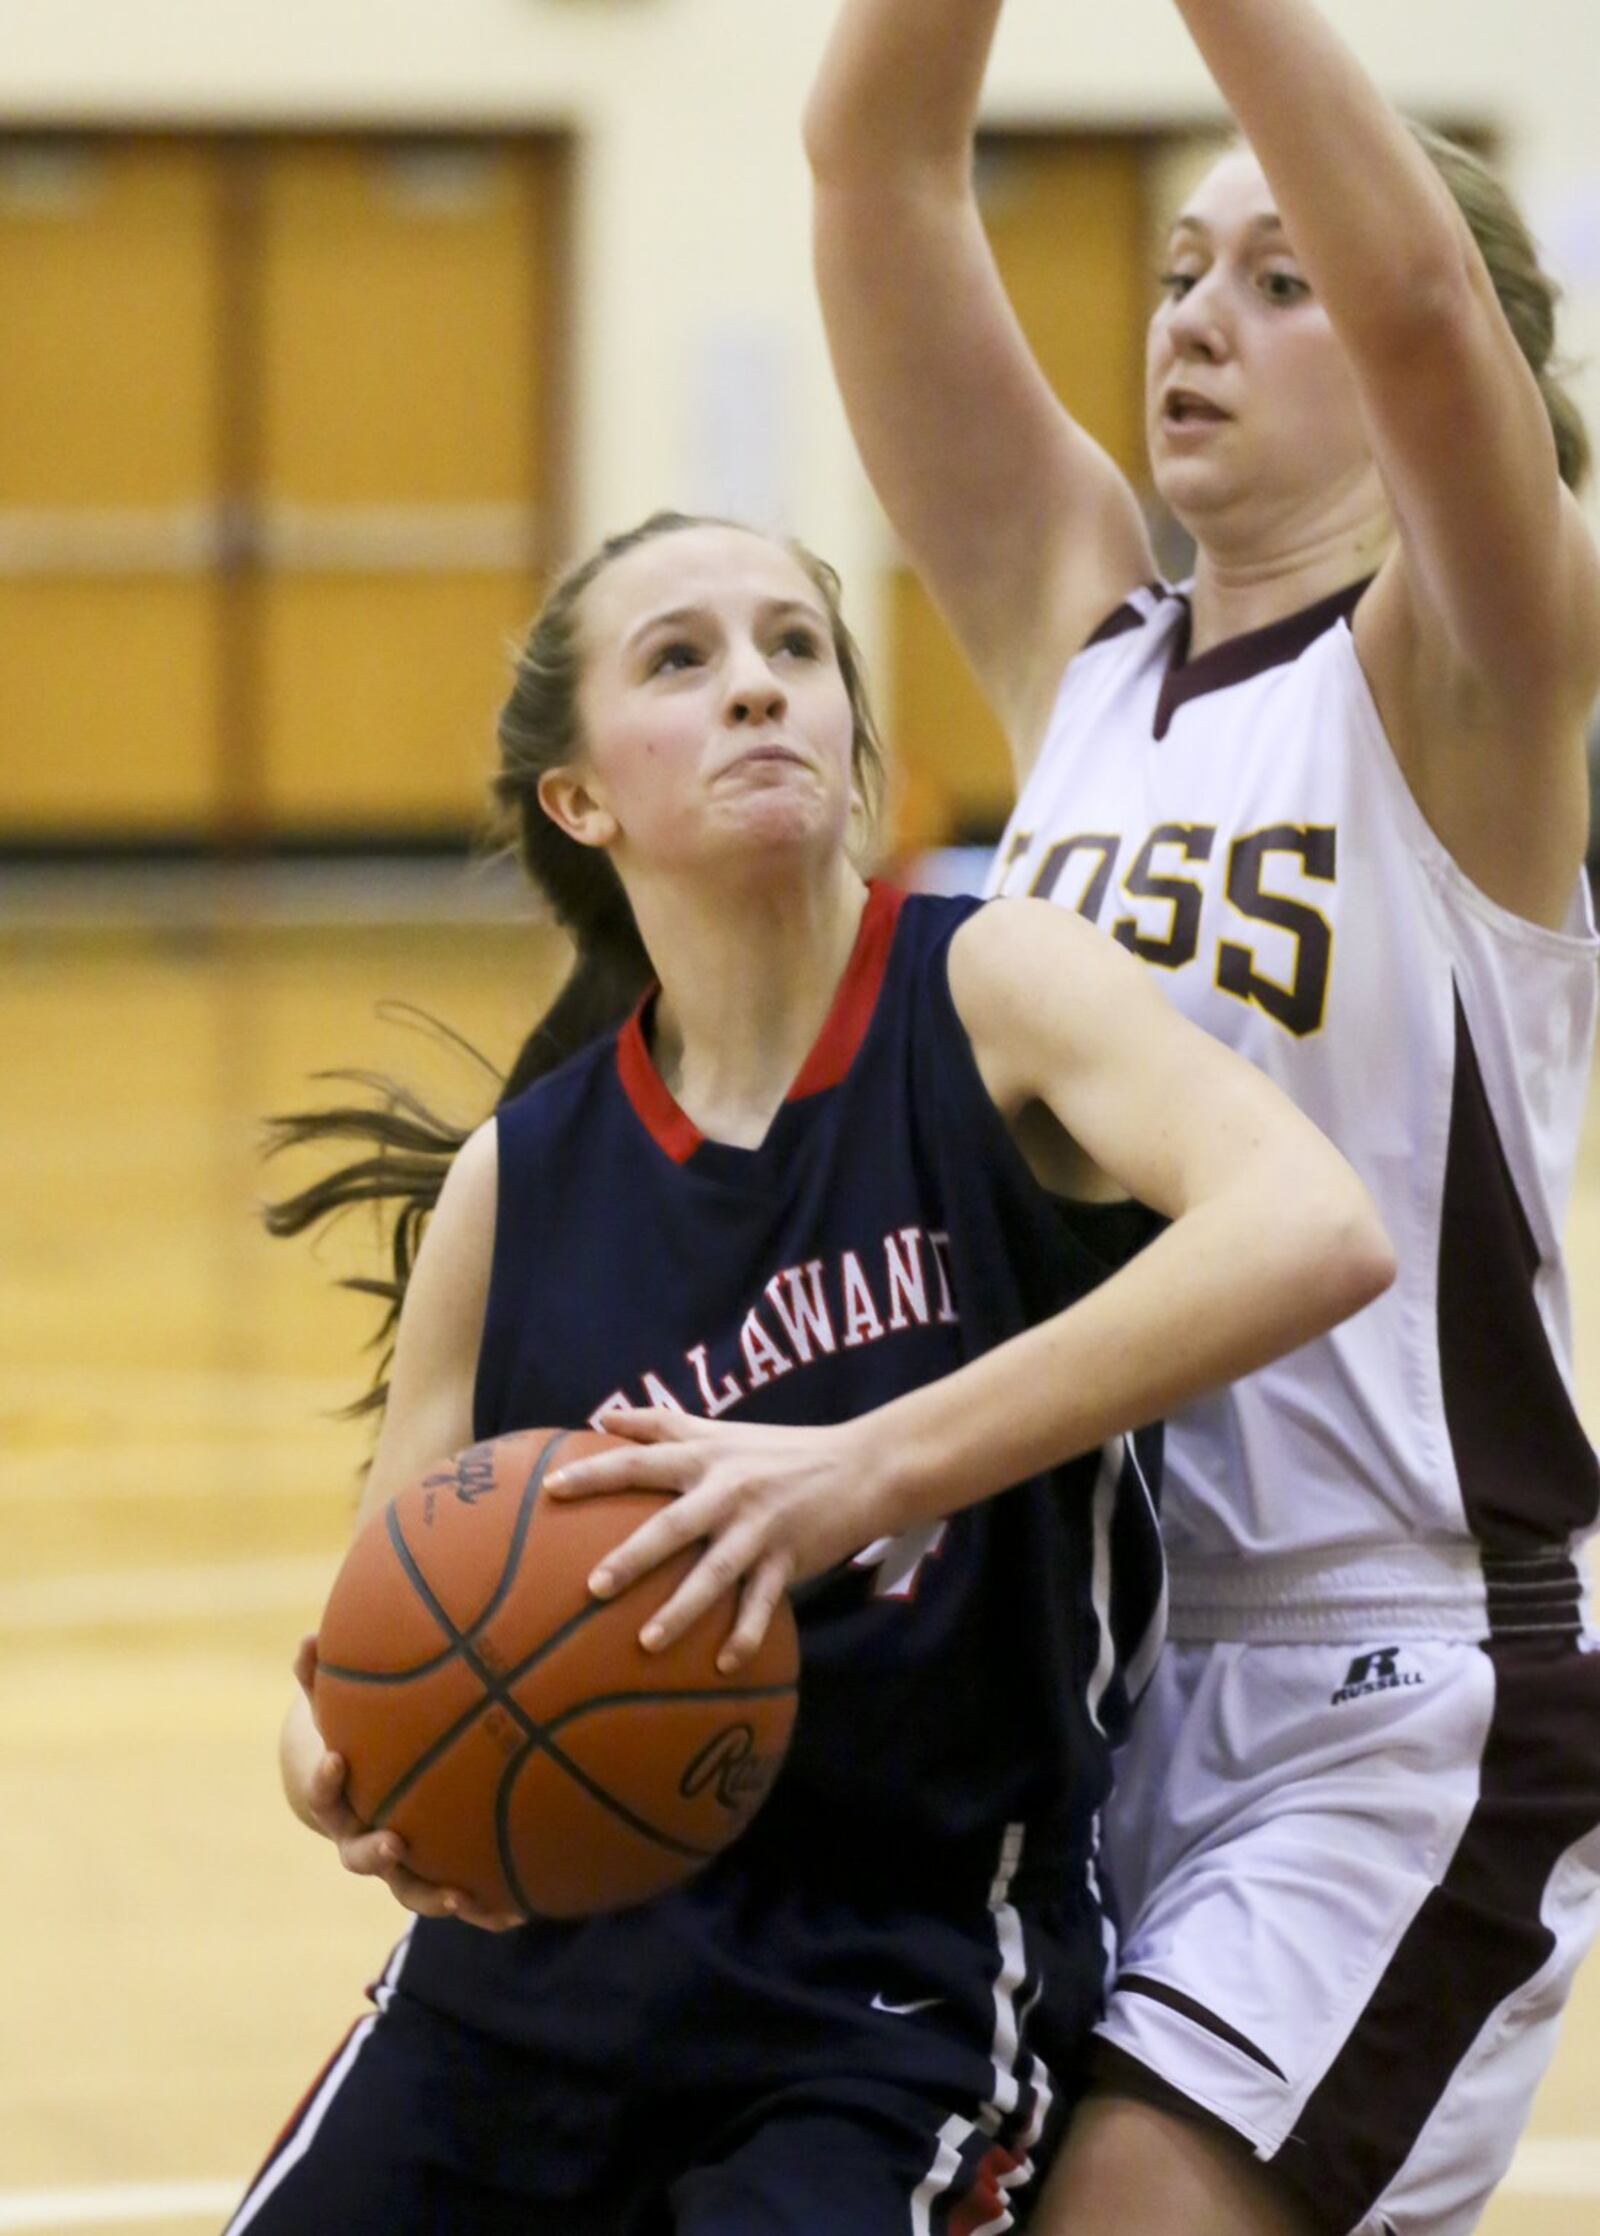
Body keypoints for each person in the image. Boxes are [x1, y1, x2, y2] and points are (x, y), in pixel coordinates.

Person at [230, 509, 1389, 2235]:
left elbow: (1316, 1226)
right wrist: (342, 1769)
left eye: (795, 651)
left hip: (891, 1990)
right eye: (681, 661)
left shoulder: (986, 989)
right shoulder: (518, 1182)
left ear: (858, 739)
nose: (757, 690)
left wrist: (863, 1469)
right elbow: (372, 1625)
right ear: (581, 799)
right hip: (528, 1984)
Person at [801, 3, 1600, 2233]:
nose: (1194, 322)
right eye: (1173, 270)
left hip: (1399, 1680)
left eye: (1276, 278)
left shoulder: (1470, 663)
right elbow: (874, 167)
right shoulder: (1087, 653)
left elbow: (1432, 304)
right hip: (1084, 1673)